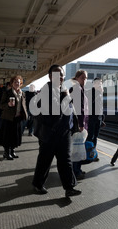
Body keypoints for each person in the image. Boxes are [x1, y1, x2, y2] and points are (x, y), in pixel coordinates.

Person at [32, 64, 82, 197]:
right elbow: (52, 111)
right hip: (49, 132)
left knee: (65, 160)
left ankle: (69, 187)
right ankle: (38, 184)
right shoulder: (46, 90)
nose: (59, 76)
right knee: (45, 160)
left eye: (61, 74)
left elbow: (70, 110)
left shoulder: (63, 89)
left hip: (64, 131)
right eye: (56, 74)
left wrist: (75, 124)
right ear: (49, 76)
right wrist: (65, 96)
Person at [0, 75, 28, 160]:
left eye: (18, 82)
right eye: (15, 82)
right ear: (12, 83)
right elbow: (1, 105)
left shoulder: (22, 93)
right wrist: (8, 105)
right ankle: (6, 152)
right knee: (7, 136)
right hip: (8, 118)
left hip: (18, 118)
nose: (17, 83)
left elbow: (23, 105)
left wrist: (25, 114)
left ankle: (12, 151)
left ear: (21, 83)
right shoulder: (7, 93)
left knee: (16, 136)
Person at [69, 70, 88, 179]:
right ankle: (76, 171)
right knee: (77, 147)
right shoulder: (77, 88)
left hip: (77, 122)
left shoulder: (78, 88)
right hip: (77, 123)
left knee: (77, 147)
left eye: (85, 78)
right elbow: (79, 108)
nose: (84, 80)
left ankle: (77, 169)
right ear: (76, 78)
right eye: (82, 77)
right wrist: (81, 124)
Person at [87, 77, 105, 161]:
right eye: (98, 83)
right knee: (90, 136)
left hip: (98, 118)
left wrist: (102, 119)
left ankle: (92, 154)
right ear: (94, 84)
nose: (100, 84)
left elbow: (100, 107)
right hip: (91, 118)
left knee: (95, 137)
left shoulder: (100, 93)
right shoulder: (90, 92)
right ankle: (88, 154)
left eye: (101, 82)